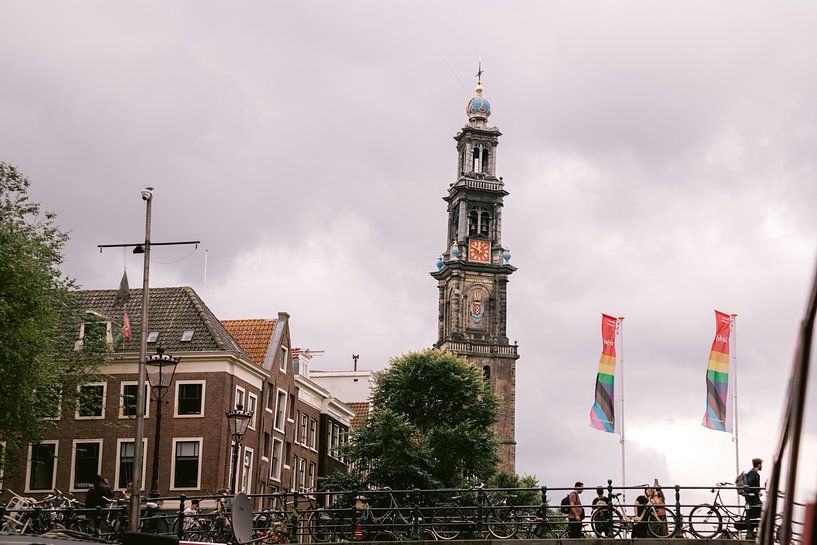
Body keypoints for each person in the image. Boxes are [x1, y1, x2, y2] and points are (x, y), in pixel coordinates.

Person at [744, 458, 763, 539]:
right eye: (761, 464)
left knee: (753, 514)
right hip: (752, 498)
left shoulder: (753, 472)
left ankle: (751, 532)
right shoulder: (753, 473)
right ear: (758, 465)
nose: (762, 466)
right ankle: (752, 532)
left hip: (752, 498)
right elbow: (750, 482)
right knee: (761, 510)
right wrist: (757, 492)